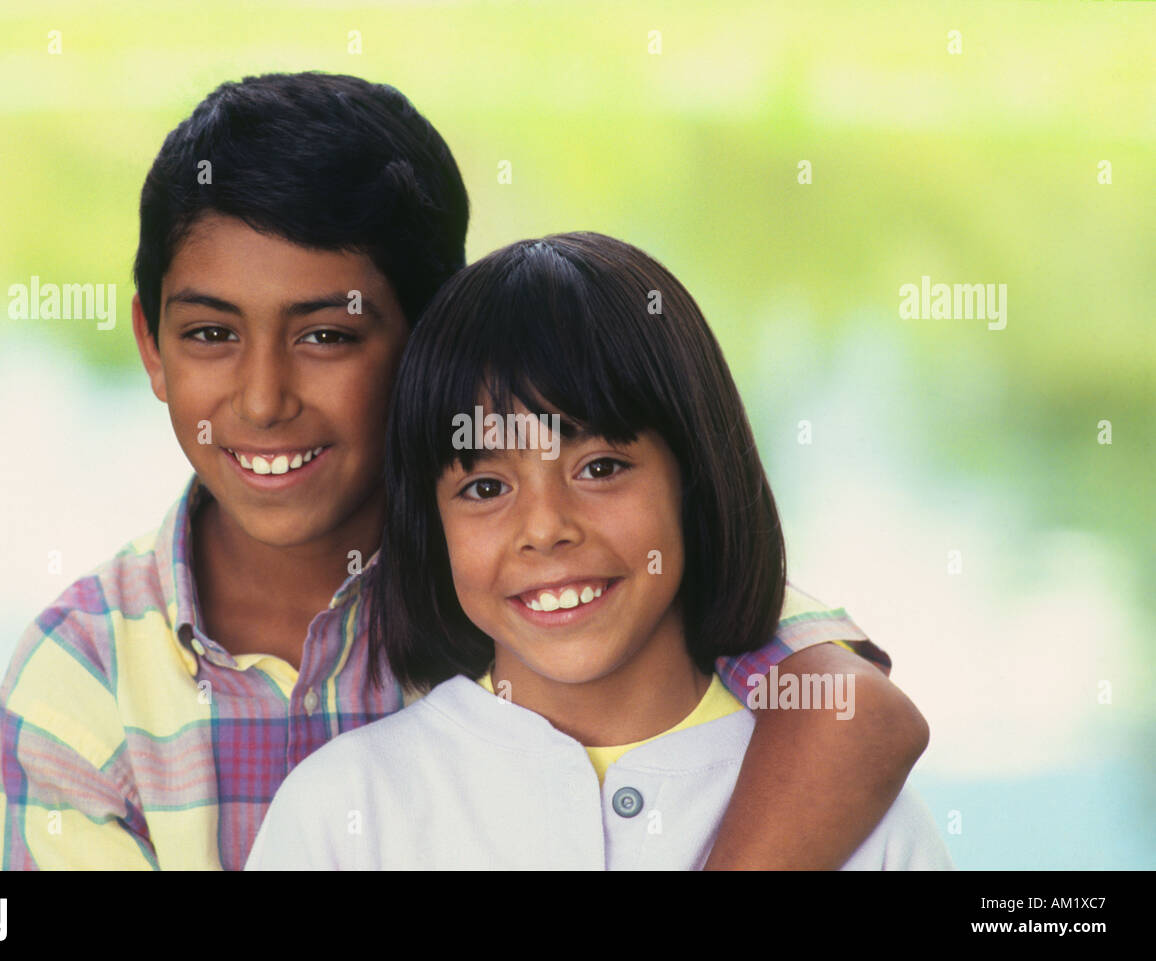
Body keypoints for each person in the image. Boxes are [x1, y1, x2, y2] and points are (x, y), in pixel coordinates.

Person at [0, 73, 928, 871]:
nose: (263, 398)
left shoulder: (569, 582)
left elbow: (853, 708)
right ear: (151, 344)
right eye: (210, 333)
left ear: (434, 334)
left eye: (327, 334)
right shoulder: (83, 679)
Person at [246, 232, 951, 870]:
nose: (546, 526)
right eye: (486, 485)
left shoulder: (857, 818)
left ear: (695, 477)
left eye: (602, 468)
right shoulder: (343, 814)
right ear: (429, 526)